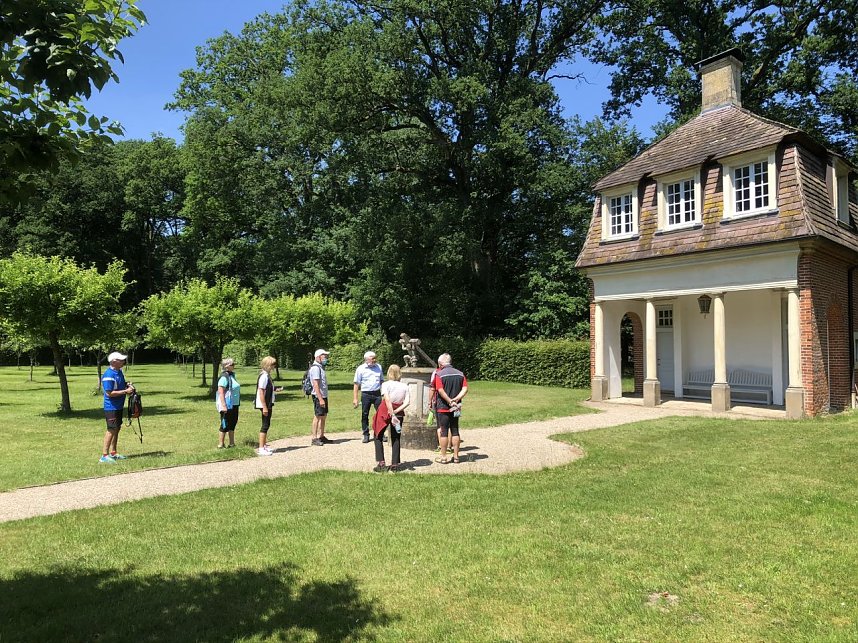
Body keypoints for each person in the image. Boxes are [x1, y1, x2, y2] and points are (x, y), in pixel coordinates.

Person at [372, 364, 411, 472]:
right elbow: (407, 402)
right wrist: (397, 411)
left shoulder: (385, 384)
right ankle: (395, 464)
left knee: (378, 435)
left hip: (385, 411)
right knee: (396, 437)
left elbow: (387, 399)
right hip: (398, 412)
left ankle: (381, 463)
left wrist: (391, 413)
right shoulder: (405, 386)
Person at [431, 353, 468, 464]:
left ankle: (443, 457)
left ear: (441, 363)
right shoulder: (460, 374)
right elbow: (465, 388)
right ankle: (456, 457)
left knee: (444, 431)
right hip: (456, 407)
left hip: (443, 407)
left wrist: (449, 400)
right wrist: (456, 399)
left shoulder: (439, 374)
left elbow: (440, 390)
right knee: (455, 430)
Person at [100, 351, 135, 463]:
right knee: (111, 429)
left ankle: (113, 453)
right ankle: (104, 456)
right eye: (121, 360)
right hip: (111, 407)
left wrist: (127, 385)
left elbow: (120, 384)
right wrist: (126, 391)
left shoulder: (119, 372)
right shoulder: (108, 375)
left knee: (117, 428)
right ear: (114, 361)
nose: (123, 362)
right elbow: (109, 393)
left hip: (118, 406)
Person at [353, 350, 384, 443]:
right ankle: (366, 434)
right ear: (367, 359)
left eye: (375, 358)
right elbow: (356, 384)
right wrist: (355, 398)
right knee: (365, 414)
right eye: (372, 358)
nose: (374, 360)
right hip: (366, 394)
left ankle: (380, 433)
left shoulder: (379, 367)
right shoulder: (360, 369)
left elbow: (382, 381)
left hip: (377, 393)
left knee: (380, 414)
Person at [255, 356, 283, 456]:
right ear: (267, 365)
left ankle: (264, 445)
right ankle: (261, 448)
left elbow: (268, 388)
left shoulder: (267, 375)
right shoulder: (263, 376)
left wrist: (275, 389)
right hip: (264, 404)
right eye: (272, 365)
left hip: (268, 403)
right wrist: (264, 407)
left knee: (267, 424)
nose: (274, 367)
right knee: (265, 425)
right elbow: (261, 392)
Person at [216, 358, 240, 449]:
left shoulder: (232, 375)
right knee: (224, 424)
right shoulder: (223, 377)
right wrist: (224, 405)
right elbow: (220, 392)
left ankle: (232, 443)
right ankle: (221, 445)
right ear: (226, 366)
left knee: (233, 423)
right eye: (232, 364)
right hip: (227, 404)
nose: (234, 365)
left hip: (234, 404)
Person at [309, 348, 332, 446]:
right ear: (318, 357)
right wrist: (320, 398)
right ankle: (314, 438)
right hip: (319, 396)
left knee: (323, 416)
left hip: (323, 395)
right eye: (324, 356)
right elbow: (315, 384)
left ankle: (321, 435)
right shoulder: (315, 368)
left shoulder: (320, 367)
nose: (326, 358)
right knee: (317, 416)